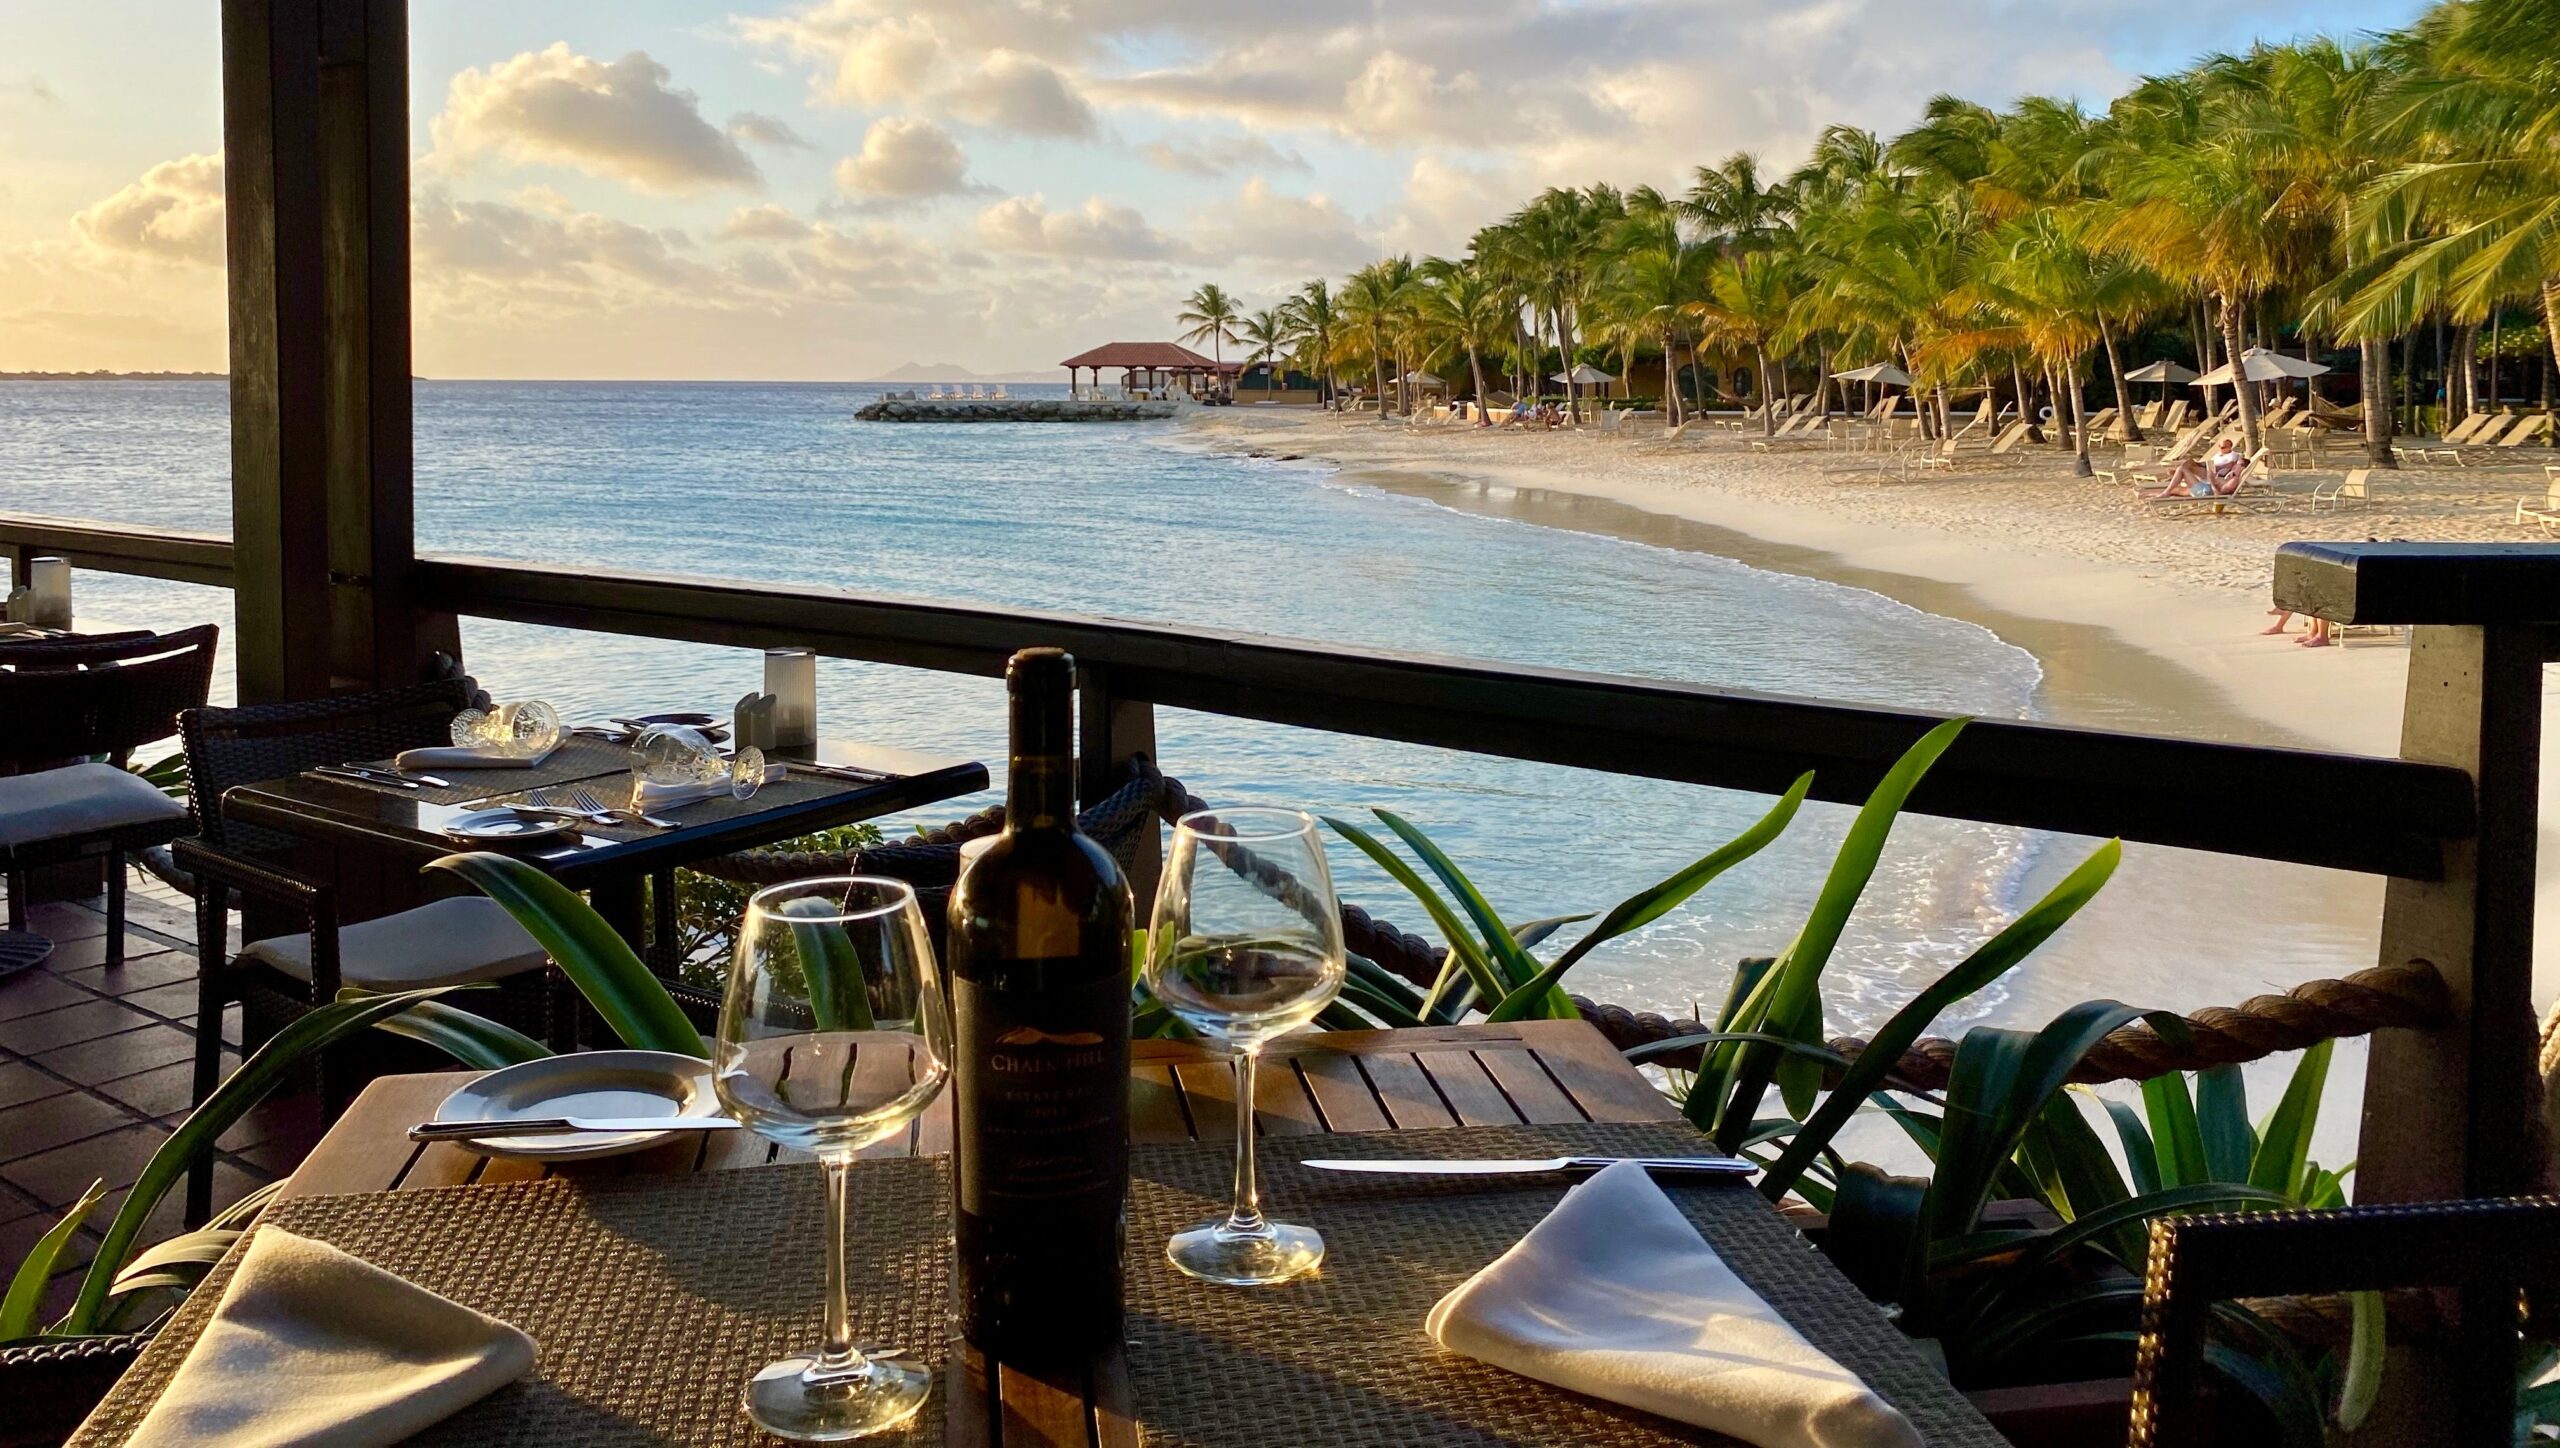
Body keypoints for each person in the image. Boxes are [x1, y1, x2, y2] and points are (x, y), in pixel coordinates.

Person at [2150, 437, 2248, 499]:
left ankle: (2170, 487)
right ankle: (2152, 494)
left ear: (2242, 467)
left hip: (2205, 491)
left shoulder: (2234, 480)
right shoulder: (2231, 477)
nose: (2235, 465)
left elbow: (2219, 493)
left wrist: (2211, 478)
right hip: (2205, 486)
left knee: (2182, 469)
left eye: (2238, 464)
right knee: (2177, 488)